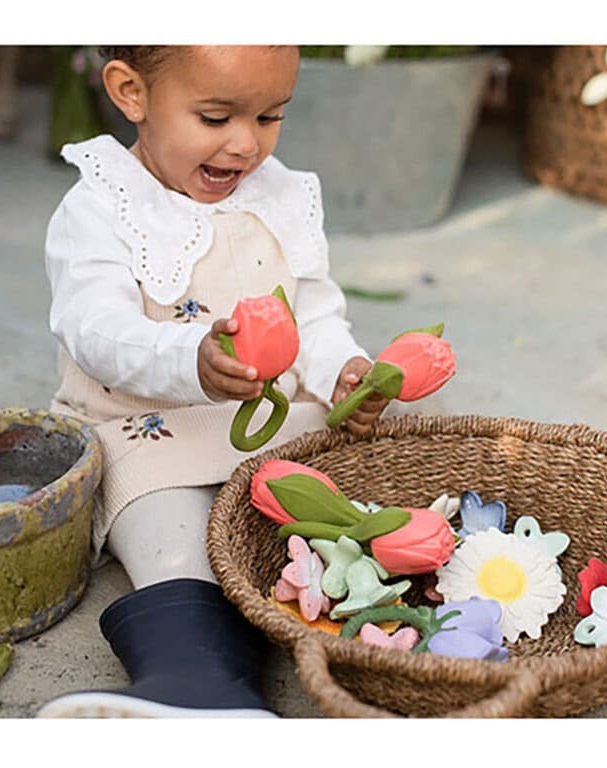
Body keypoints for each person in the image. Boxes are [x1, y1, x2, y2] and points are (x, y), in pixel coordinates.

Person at [36, 45, 389, 718]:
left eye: (270, 116)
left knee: (342, 529)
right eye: (216, 117)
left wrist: (340, 371)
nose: (246, 144)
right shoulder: (103, 206)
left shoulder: (281, 197)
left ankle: (369, 630)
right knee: (178, 546)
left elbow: (315, 313)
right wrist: (187, 357)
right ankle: (196, 683)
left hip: (276, 422)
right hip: (148, 431)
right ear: (131, 93)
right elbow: (92, 327)